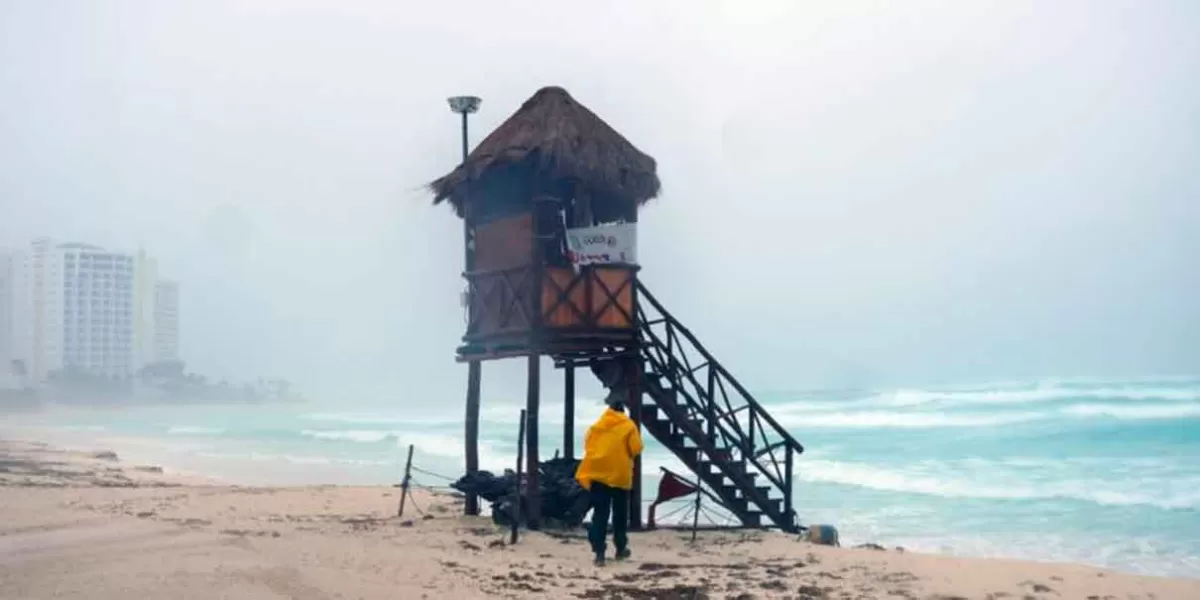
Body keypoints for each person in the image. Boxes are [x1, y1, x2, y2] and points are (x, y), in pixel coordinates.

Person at [574, 395, 644, 566]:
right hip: (620, 475)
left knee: (600, 513)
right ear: (623, 411)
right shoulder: (628, 425)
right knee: (620, 514)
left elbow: (588, 446)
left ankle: (599, 553)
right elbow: (636, 448)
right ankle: (620, 548)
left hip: (598, 474)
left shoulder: (596, 427)